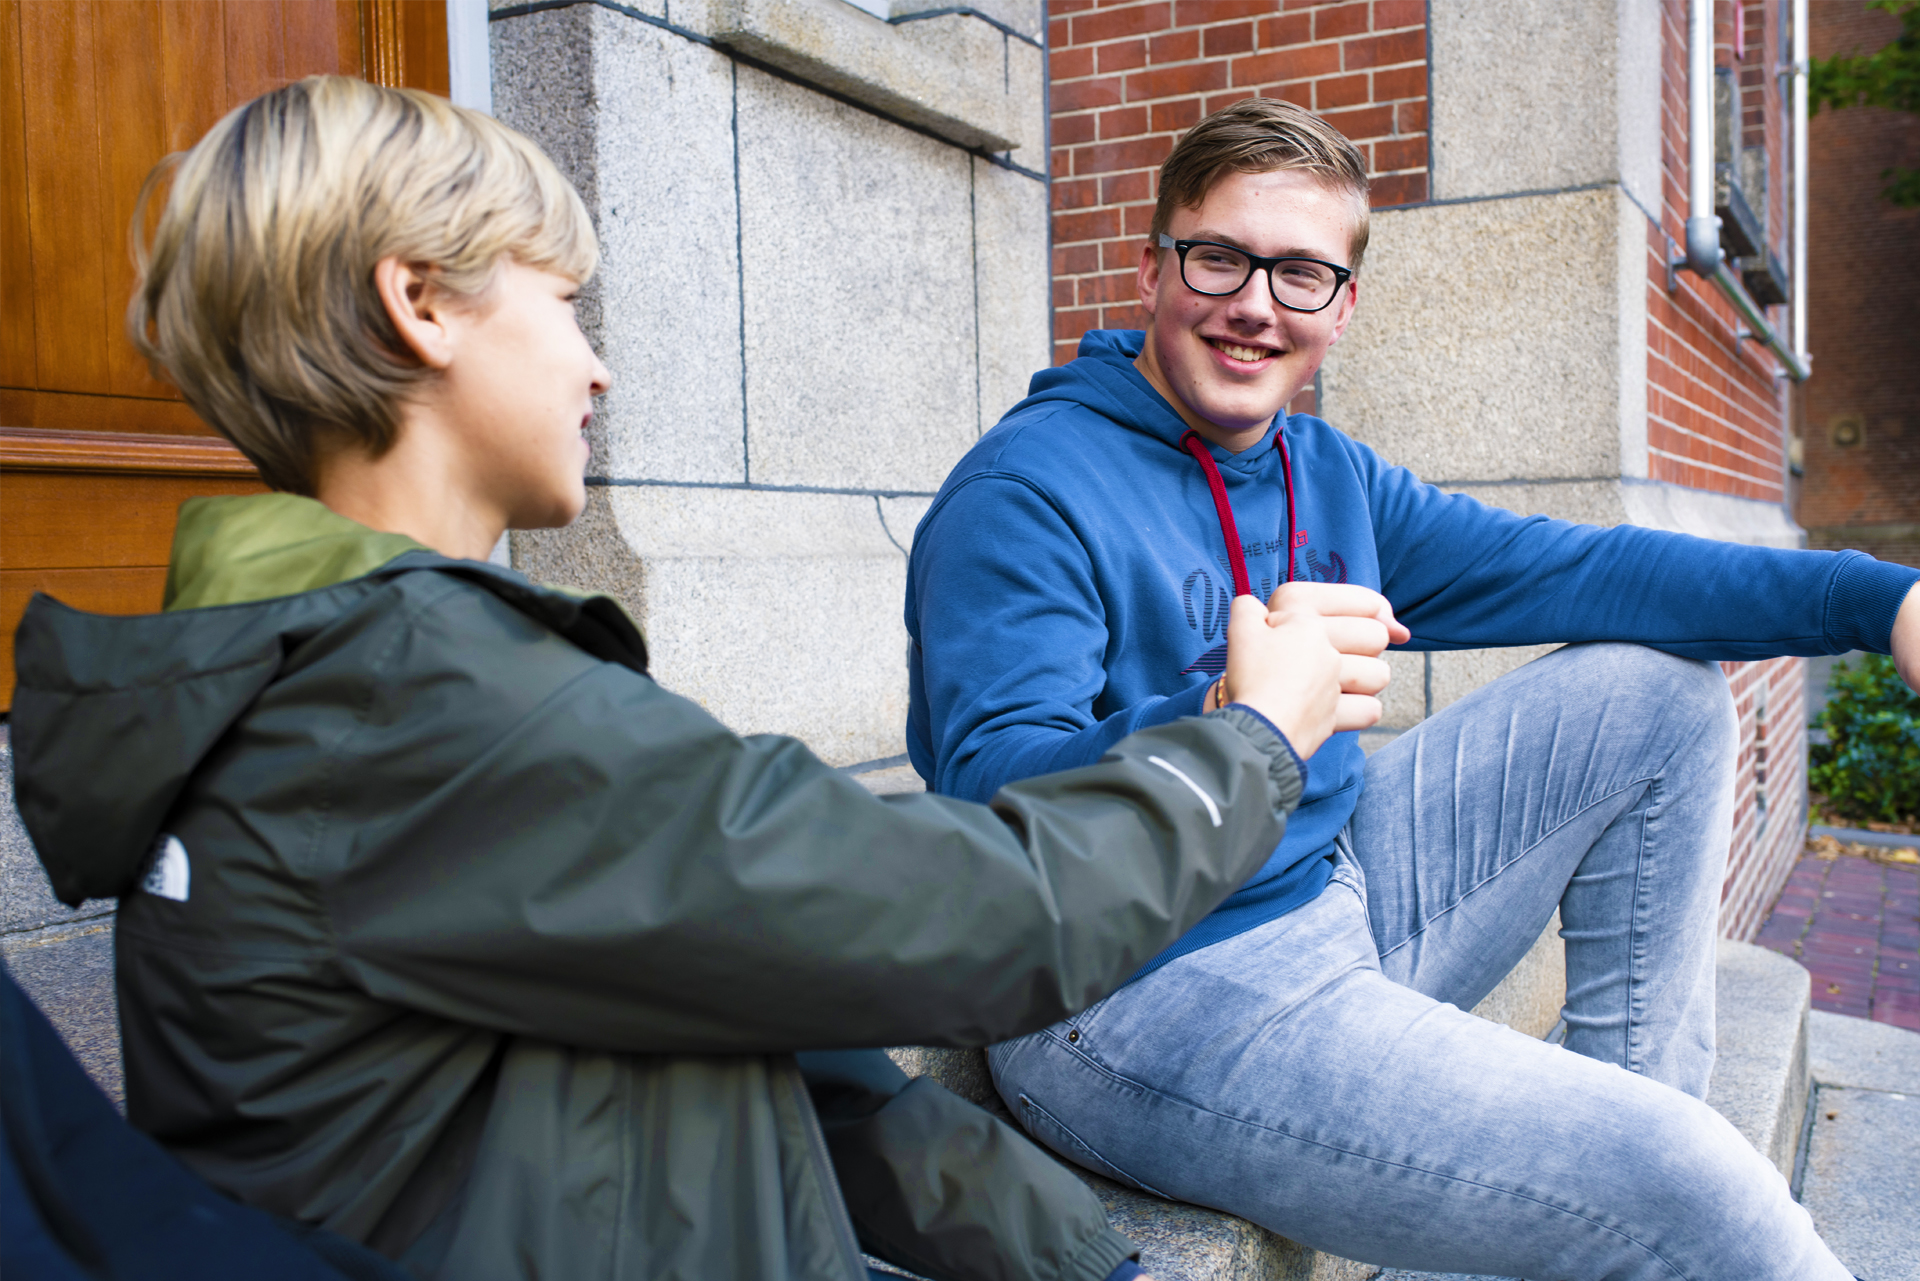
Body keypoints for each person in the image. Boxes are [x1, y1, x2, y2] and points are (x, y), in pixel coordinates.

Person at [6, 78, 1363, 1281]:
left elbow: (781, 1037)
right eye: (562, 302)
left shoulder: (329, 672)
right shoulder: (422, 702)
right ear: (418, 304)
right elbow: (970, 911)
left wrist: (1073, 1260)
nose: (596, 365)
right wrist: (1253, 738)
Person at [905, 97, 1920, 1280]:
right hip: (1133, 991)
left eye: (1301, 273)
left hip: (1329, 893)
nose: (1254, 304)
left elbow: (1586, 572)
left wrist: (1883, 600)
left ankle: (1636, 1167)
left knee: (1654, 697)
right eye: (1219, 257)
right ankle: (1663, 1194)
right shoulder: (1025, 492)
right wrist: (1228, 720)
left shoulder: (1324, 471)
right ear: (1151, 269)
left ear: (1342, 307)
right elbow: (991, 799)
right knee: (1693, 1181)